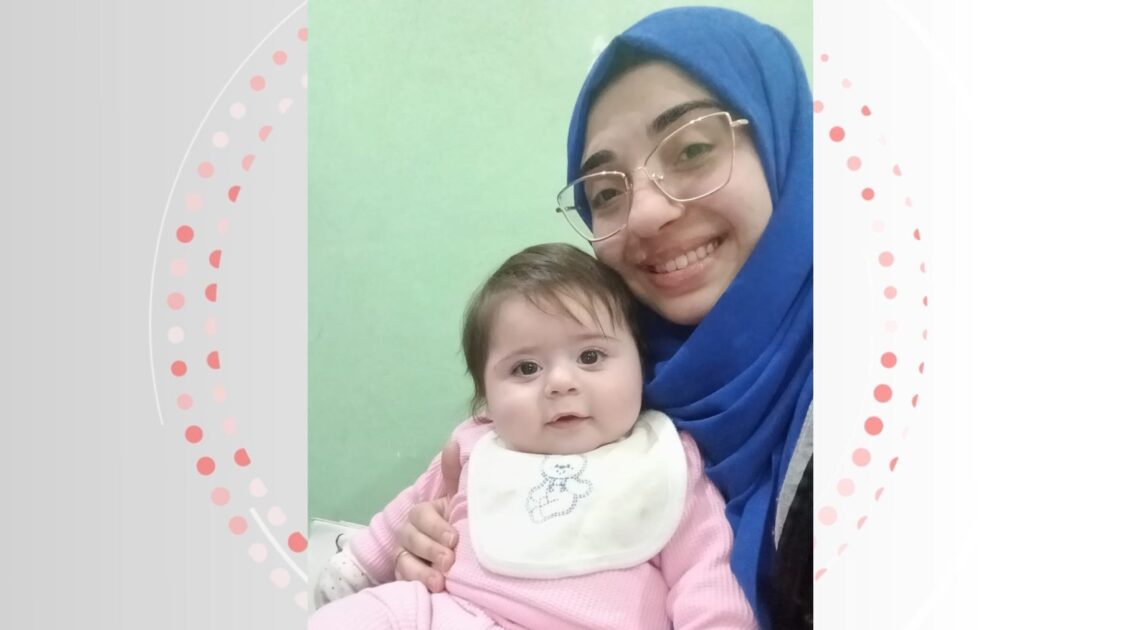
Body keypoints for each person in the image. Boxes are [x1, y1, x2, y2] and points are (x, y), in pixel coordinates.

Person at [388, 7, 813, 629]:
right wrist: (431, 552)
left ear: (784, 143)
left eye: (693, 148)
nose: (645, 214)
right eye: (607, 193)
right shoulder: (624, 388)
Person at [311, 243, 755, 629]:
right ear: (486, 397)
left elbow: (708, 578)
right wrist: (359, 565)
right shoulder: (476, 445)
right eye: (525, 368)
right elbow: (410, 509)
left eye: (590, 355)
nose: (560, 383)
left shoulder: (665, 461)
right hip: (454, 614)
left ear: (641, 364)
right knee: (378, 613)